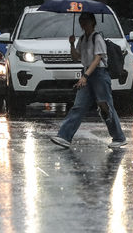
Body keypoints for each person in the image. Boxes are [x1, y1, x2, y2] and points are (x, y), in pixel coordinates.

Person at [51, 12, 127, 149]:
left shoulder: (97, 38)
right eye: (81, 22)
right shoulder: (82, 39)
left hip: (99, 74)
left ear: (92, 22)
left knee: (106, 106)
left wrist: (85, 76)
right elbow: (76, 57)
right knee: (78, 106)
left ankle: (119, 137)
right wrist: (72, 44)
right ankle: (64, 136)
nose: (83, 24)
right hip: (87, 73)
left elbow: (98, 59)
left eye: (85, 21)